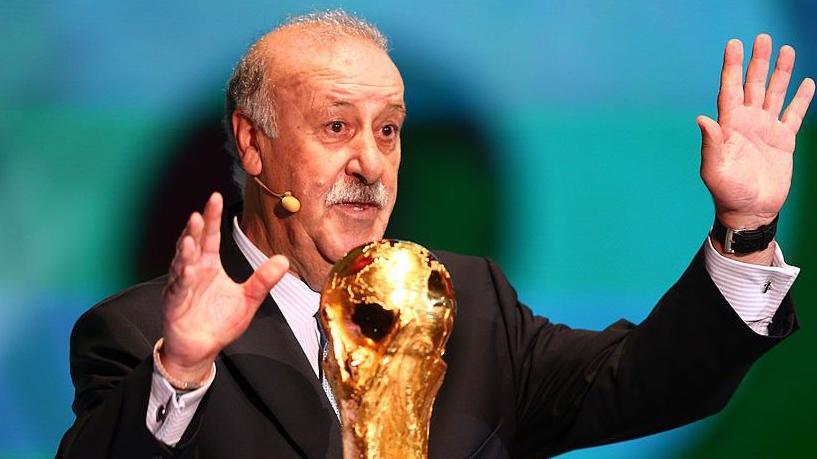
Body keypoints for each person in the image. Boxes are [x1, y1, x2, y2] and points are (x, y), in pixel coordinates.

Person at [58, 10, 814, 459]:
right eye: (335, 126)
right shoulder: (139, 334)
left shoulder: (469, 303)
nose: (371, 163)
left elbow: (652, 379)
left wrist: (743, 229)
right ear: (252, 147)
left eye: (388, 130)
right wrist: (184, 368)